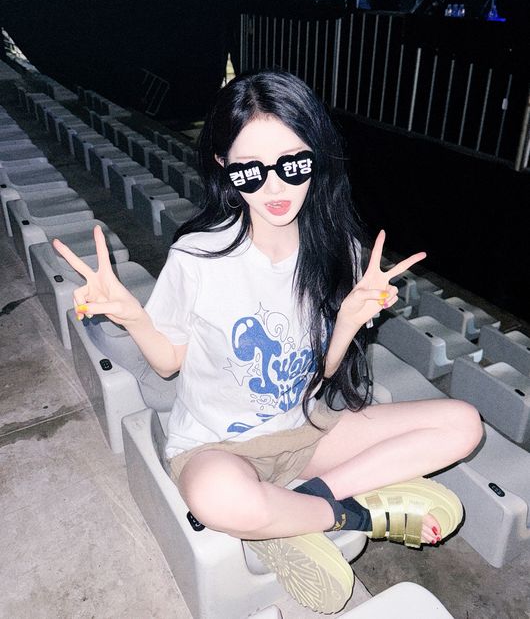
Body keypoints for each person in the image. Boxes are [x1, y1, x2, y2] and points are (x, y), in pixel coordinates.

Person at [53, 70, 483, 614]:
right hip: (216, 447)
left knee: (463, 424)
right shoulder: (198, 257)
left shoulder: (338, 249)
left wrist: (350, 320)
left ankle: (297, 508)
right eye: (250, 171)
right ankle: (352, 512)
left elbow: (322, 373)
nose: (275, 188)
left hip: (304, 432)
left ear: (315, 155)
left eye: (292, 164)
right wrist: (134, 318)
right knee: (216, 497)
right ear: (225, 168)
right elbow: (167, 366)